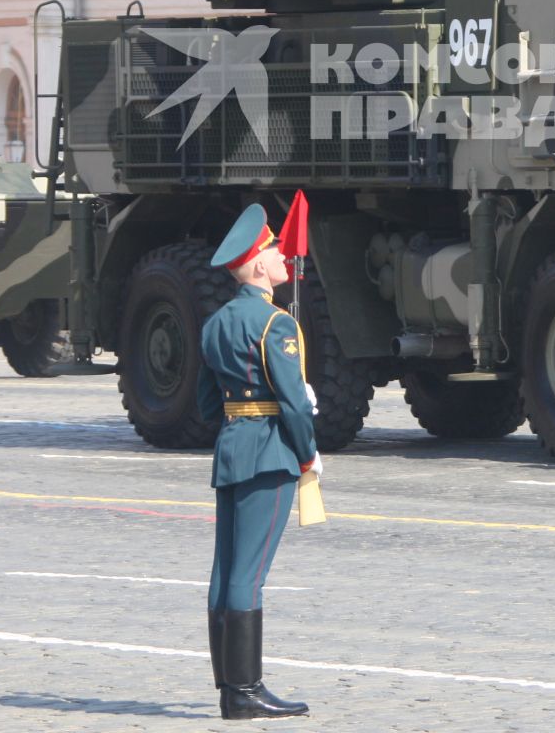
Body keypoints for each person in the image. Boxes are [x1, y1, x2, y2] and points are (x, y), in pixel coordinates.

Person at [196, 203, 318, 721]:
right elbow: (292, 403)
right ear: (258, 266)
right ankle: (246, 690)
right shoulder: (275, 324)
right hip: (270, 452)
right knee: (249, 574)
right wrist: (309, 454)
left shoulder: (216, 324)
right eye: (273, 251)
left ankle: (229, 686)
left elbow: (207, 406)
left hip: (232, 446)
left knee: (226, 570)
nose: (283, 256)